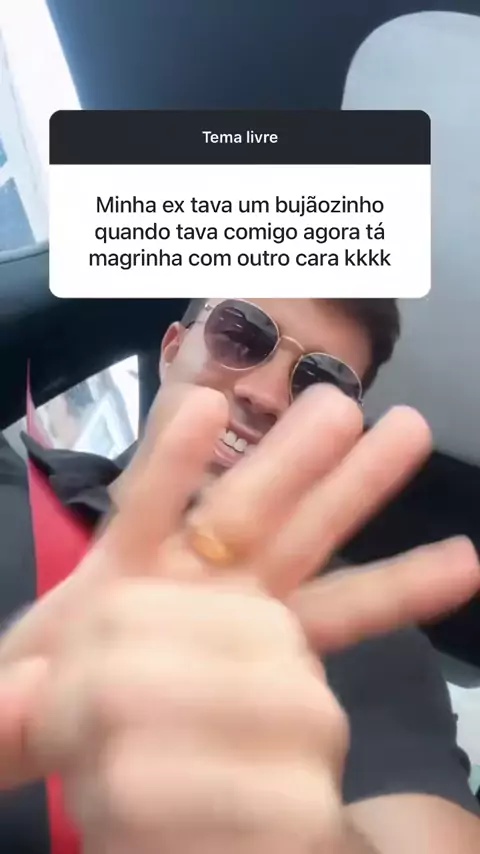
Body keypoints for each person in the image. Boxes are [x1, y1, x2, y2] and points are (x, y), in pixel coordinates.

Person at [0, 297, 479, 854]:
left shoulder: (371, 640)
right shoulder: (11, 490)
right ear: (172, 349)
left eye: (320, 384)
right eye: (242, 334)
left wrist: (300, 842)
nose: (266, 396)